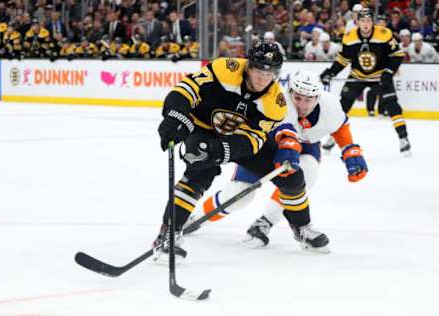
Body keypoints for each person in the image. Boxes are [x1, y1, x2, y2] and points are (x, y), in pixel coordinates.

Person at [154, 41, 317, 262]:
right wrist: (176, 118)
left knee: (291, 176)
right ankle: (168, 234)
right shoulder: (224, 69)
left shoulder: (276, 103)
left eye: (269, 73)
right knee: (199, 169)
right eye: (259, 70)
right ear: (249, 66)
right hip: (202, 128)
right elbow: (186, 89)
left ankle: (302, 227)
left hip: (240, 139)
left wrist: (223, 151)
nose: (263, 78)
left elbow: (254, 140)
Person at [184, 70, 367, 253]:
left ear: (318, 97)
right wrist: (288, 148)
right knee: (239, 195)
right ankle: (197, 218)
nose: (302, 105)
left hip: (304, 145)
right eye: (298, 97)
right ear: (290, 93)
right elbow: (286, 132)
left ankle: (265, 223)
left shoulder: (330, 104)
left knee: (307, 173)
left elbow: (340, 127)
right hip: (266, 145)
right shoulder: (279, 100)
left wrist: (351, 151)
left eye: (308, 99)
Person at [320, 9, 412, 157]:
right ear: (357, 22)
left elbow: (397, 55)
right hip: (357, 76)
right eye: (362, 21)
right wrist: (331, 72)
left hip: (380, 77)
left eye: (368, 21)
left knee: (393, 106)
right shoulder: (349, 37)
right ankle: (332, 139)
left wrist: (388, 72)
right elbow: (343, 60)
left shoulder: (384, 34)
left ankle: (403, 139)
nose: (365, 24)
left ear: (372, 22)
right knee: (342, 107)